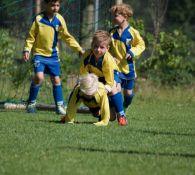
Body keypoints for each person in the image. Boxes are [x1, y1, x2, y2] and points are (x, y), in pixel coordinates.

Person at [23, 0, 84, 114]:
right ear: (45, 5)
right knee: (39, 77)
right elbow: (31, 37)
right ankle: (31, 103)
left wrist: (79, 49)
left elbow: (67, 37)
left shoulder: (59, 19)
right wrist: (27, 49)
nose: (55, 8)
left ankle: (59, 106)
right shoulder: (38, 19)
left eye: (57, 5)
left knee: (56, 80)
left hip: (53, 56)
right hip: (39, 54)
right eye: (52, 5)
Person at [80, 30, 127, 126]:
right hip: (95, 77)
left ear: (107, 48)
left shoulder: (108, 60)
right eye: (95, 46)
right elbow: (83, 74)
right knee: (110, 117)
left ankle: (121, 115)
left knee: (113, 89)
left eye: (102, 47)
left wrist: (104, 90)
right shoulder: (87, 56)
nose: (98, 49)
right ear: (92, 45)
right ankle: (101, 109)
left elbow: (109, 81)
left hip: (111, 75)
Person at [109, 3, 145, 112]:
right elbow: (107, 47)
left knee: (128, 94)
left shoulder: (133, 32)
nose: (114, 18)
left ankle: (125, 104)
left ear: (125, 16)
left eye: (116, 16)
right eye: (113, 15)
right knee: (116, 89)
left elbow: (141, 45)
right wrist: (110, 57)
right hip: (115, 68)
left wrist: (132, 52)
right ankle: (117, 111)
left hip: (128, 68)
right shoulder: (112, 32)